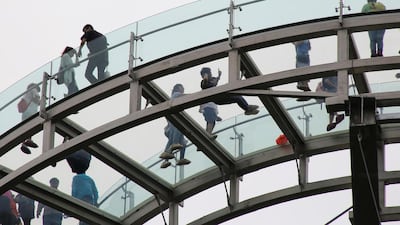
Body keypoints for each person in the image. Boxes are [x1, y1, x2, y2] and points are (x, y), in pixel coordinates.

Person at [159, 84, 191, 168]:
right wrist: (197, 95)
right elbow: (185, 96)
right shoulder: (176, 94)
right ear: (178, 88)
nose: (183, 89)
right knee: (177, 131)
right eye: (182, 88)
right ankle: (174, 145)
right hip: (173, 125)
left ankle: (174, 159)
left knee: (183, 142)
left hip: (171, 127)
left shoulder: (173, 98)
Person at [20, 83, 40, 154]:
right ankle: (29, 140)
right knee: (31, 127)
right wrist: (42, 101)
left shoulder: (26, 94)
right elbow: (37, 97)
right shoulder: (33, 89)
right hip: (31, 112)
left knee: (25, 127)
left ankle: (23, 143)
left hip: (25, 113)